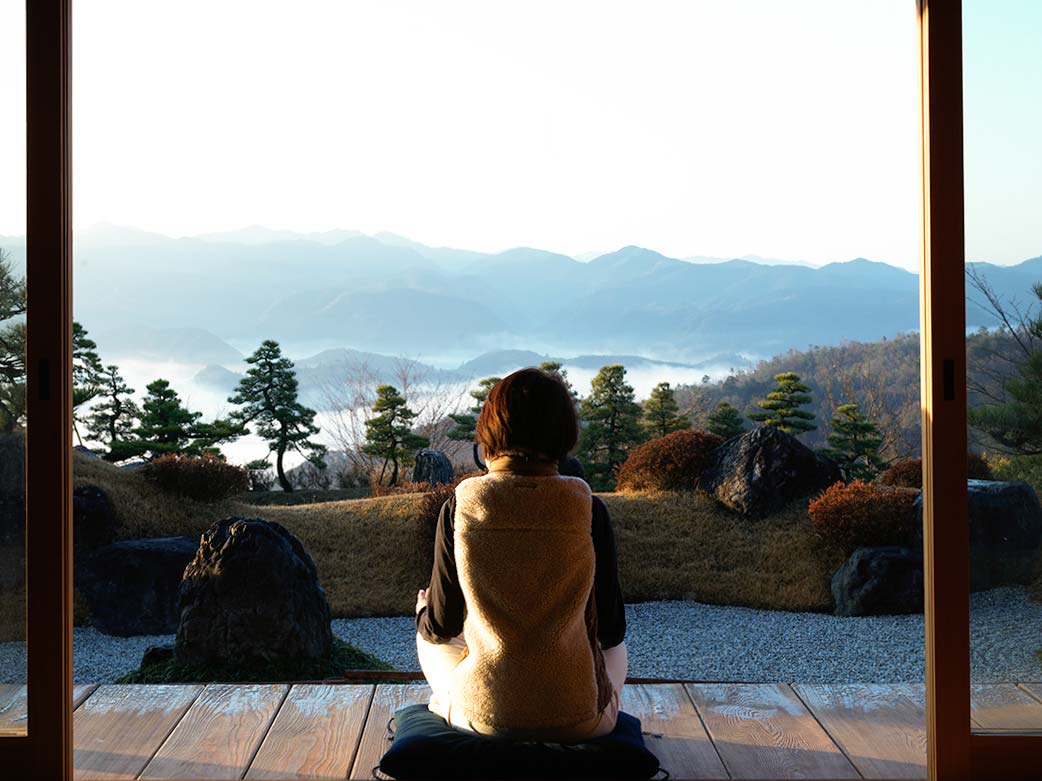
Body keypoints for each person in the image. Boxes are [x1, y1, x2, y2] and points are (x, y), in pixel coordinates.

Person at [415, 367, 628, 742]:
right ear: (563, 434)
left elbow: (442, 625)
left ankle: (448, 706)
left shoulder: (460, 506)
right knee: (618, 649)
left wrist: (422, 610)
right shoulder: (588, 509)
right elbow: (611, 631)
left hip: (485, 718)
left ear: (489, 434)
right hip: (580, 720)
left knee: (428, 637)